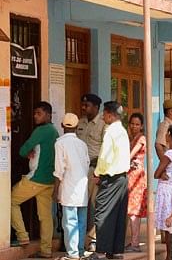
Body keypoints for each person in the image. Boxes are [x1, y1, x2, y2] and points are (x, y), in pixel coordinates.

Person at [11, 101, 59, 258]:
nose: (35, 116)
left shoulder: (41, 130)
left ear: (48, 114)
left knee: (10, 201)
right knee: (45, 216)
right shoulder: (54, 131)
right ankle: (46, 250)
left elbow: (23, 150)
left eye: (39, 113)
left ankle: (22, 236)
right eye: (34, 113)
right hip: (49, 179)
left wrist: (28, 151)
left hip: (36, 178)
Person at [92, 101, 130, 259]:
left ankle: (101, 251)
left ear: (110, 114)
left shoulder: (110, 132)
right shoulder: (122, 131)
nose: (102, 116)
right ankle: (116, 251)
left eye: (104, 113)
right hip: (122, 179)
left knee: (103, 214)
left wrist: (97, 173)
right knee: (119, 216)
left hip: (110, 178)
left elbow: (105, 158)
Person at [53, 113, 90, 260]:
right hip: (82, 188)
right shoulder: (82, 144)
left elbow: (59, 170)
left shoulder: (60, 143)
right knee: (81, 221)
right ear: (77, 127)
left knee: (69, 222)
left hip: (68, 187)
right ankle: (79, 250)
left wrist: (56, 190)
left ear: (62, 126)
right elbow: (87, 165)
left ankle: (73, 253)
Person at [76, 93, 106, 251]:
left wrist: (101, 173)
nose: (83, 107)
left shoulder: (103, 124)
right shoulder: (80, 123)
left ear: (96, 107)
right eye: (83, 104)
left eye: (86, 105)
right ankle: (78, 239)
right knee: (79, 204)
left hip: (96, 170)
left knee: (97, 205)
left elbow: (106, 149)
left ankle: (94, 239)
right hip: (80, 170)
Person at [154, 124, 172, 260]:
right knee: (171, 225)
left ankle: (169, 256)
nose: (165, 136)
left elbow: (156, 173)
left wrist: (161, 173)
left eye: (167, 133)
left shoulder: (170, 153)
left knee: (168, 226)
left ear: (170, 135)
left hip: (166, 190)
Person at [125, 113, 147, 252]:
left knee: (134, 211)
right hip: (131, 176)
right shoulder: (132, 138)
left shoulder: (141, 138)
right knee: (132, 210)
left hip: (136, 178)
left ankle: (135, 243)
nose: (134, 126)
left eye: (137, 124)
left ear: (142, 126)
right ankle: (133, 242)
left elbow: (129, 156)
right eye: (132, 124)